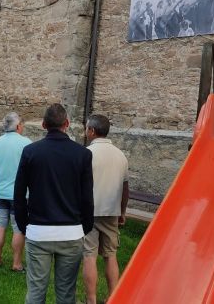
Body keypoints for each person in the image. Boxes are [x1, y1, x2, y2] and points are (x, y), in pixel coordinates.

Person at [14, 103, 94, 304]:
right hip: (70, 231)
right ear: (67, 124)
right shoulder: (82, 154)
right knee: (66, 294)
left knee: (35, 291)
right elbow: (87, 197)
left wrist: (24, 224)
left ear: (43, 124)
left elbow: (19, 193)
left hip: (40, 230)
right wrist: (85, 226)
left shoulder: (31, 152)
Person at [82, 115, 129, 303]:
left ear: (92, 131)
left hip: (89, 211)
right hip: (111, 211)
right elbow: (125, 188)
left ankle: (91, 300)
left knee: (89, 256)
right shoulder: (120, 155)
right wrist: (122, 211)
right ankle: (113, 297)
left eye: (86, 128)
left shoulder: (87, 153)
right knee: (111, 255)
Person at [0, 112, 31, 271]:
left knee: (0, 224)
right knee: (18, 228)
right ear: (18, 126)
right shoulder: (26, 143)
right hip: (19, 194)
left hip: (0, 191)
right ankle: (17, 263)